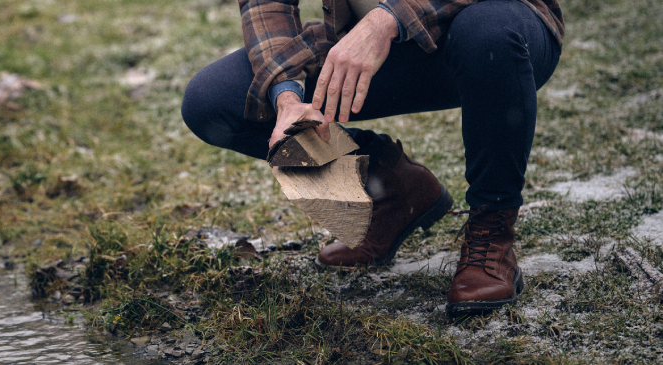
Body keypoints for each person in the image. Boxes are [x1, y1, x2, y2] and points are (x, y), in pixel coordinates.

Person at [181, 0, 563, 315]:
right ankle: (392, 189)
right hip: (379, 45)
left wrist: (387, 19)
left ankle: (491, 232)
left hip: (497, 29)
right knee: (214, 100)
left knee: (488, 32)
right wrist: (287, 98)